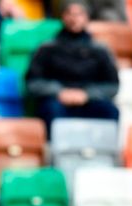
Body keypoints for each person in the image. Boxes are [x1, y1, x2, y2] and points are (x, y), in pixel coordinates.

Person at [25, 0, 119, 132]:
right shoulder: (47, 48)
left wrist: (87, 95)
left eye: (79, 14)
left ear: (87, 17)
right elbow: (33, 82)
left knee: (109, 111)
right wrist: (59, 92)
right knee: (51, 109)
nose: (74, 19)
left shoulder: (99, 50)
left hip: (89, 101)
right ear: (63, 16)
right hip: (57, 101)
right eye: (70, 13)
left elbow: (112, 86)